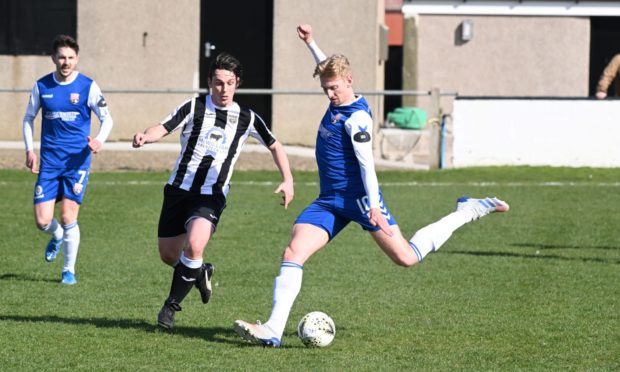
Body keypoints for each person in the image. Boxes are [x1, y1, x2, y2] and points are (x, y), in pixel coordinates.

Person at [233, 24, 510, 347]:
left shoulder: (357, 120)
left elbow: (367, 165)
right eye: (325, 88)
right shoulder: (337, 96)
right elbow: (328, 66)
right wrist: (311, 43)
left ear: (349, 82)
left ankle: (468, 210)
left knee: (406, 257)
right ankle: (273, 331)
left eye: (334, 88)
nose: (329, 94)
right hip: (329, 200)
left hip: (363, 202)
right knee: (293, 251)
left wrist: (375, 208)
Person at [132, 52, 294, 329]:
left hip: (211, 194)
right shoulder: (194, 106)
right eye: (218, 83)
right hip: (178, 190)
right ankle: (200, 273)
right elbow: (164, 126)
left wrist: (288, 179)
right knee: (169, 255)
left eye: (230, 83)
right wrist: (146, 136)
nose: (224, 89)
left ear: (237, 83)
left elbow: (274, 145)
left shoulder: (247, 117)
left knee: (195, 245)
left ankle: (169, 309)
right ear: (209, 82)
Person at [23, 34, 114, 285]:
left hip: (77, 162)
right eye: (61, 57)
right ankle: (58, 235)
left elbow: (107, 118)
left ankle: (68, 271)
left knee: (68, 216)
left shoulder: (88, 86)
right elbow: (28, 119)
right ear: (54, 58)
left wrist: (99, 140)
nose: (66, 62)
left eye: (70, 58)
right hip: (49, 162)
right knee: (42, 221)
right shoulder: (42, 86)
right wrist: (30, 150)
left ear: (77, 59)